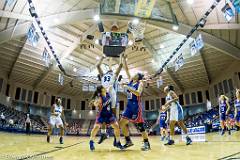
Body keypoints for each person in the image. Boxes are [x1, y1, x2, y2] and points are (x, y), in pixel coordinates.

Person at [119, 55, 150, 151]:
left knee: (140, 126)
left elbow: (138, 93)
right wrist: (124, 59)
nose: (133, 75)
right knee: (121, 123)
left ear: (138, 77)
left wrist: (127, 87)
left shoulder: (140, 83)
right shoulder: (130, 81)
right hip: (128, 106)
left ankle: (146, 143)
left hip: (136, 105)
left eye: (135, 74)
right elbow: (127, 69)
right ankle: (128, 141)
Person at [96, 54, 123, 144]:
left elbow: (97, 65)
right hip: (111, 93)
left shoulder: (103, 75)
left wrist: (102, 57)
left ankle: (106, 133)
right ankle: (110, 134)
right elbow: (121, 65)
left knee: (105, 114)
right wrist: (121, 57)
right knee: (112, 114)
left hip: (106, 94)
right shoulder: (113, 75)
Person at [89, 85, 123, 151]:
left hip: (109, 114)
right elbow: (96, 103)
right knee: (96, 128)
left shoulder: (107, 93)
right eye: (103, 87)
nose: (105, 87)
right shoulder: (99, 97)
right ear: (102, 90)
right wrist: (95, 103)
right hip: (101, 115)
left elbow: (110, 85)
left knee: (116, 126)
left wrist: (116, 83)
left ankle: (118, 142)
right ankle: (91, 142)